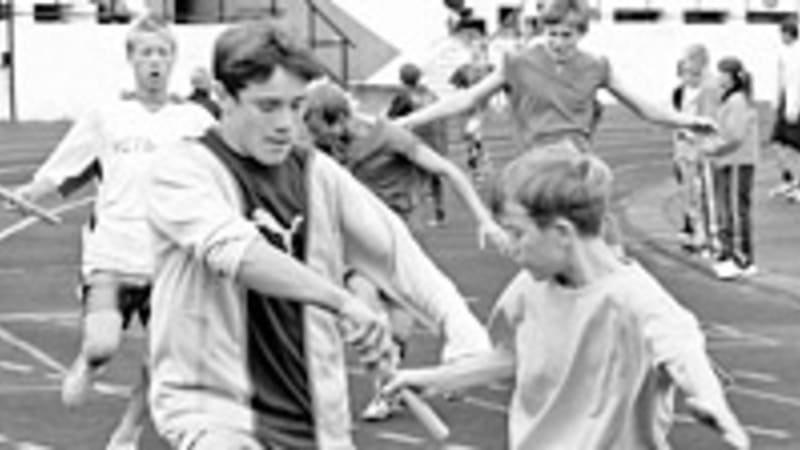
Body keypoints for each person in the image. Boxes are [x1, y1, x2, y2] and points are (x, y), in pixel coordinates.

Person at [144, 19, 491, 450]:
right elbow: (240, 254)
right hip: (215, 418)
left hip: (319, 427)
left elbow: (396, 254)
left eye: (296, 106)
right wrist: (343, 302)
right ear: (222, 96)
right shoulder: (181, 169)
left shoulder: (317, 174)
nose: (286, 124)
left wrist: (460, 327)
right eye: (268, 106)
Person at [384, 149, 750, 450]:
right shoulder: (528, 288)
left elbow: (683, 351)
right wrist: (438, 379)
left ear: (562, 232)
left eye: (517, 233)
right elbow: (513, 355)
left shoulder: (636, 300)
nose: (509, 247)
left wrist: (711, 400)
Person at [11, 16, 215, 450]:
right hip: (112, 256)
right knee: (103, 343)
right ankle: (89, 361)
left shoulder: (195, 121)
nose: (155, 61)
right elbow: (64, 171)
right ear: (131, 59)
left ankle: (128, 431)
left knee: (163, 359)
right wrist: (29, 192)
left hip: (170, 262)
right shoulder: (106, 117)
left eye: (162, 52)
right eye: (146, 53)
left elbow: (223, 177)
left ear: (173, 59)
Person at [303, 80, 507, 421]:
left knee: (399, 328)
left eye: (321, 132)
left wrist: (484, 219)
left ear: (339, 119)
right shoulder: (328, 148)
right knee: (368, 310)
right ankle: (385, 392)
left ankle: (447, 366)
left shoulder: (390, 137)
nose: (319, 141)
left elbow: (447, 170)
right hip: (356, 245)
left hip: (399, 240)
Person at [395, 0, 715, 153]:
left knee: (603, 249)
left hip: (578, 165)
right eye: (552, 34)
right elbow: (466, 99)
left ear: (581, 33)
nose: (558, 43)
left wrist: (687, 121)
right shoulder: (517, 62)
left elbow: (644, 108)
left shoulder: (596, 66)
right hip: (535, 166)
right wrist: (410, 121)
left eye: (566, 35)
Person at [701, 57, 760, 280]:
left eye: (722, 74)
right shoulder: (731, 100)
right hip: (733, 160)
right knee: (732, 208)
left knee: (734, 209)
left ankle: (739, 258)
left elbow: (735, 136)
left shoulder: (736, 101)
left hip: (736, 161)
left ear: (733, 77)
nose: (719, 78)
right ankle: (738, 256)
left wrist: (713, 148)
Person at [386, 63, 450, 227]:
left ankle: (414, 215)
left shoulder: (404, 96)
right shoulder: (431, 94)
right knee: (436, 176)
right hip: (437, 140)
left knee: (415, 179)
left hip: (418, 141)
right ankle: (440, 212)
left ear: (401, 79)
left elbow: (391, 117)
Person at [671, 44, 720, 255]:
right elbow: (676, 119)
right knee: (687, 190)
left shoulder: (710, 89)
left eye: (692, 71)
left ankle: (706, 231)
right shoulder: (679, 92)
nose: (688, 76)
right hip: (684, 145)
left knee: (703, 190)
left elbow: (713, 119)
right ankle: (692, 226)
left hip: (701, 145)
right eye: (685, 72)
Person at [768, 17, 800, 202]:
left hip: (794, 104)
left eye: (783, 33)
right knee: (777, 142)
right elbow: (781, 79)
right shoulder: (783, 51)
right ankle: (789, 180)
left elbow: (795, 81)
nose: (781, 36)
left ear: (790, 34)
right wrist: (776, 100)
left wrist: (793, 107)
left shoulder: (797, 53)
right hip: (785, 100)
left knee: (795, 145)